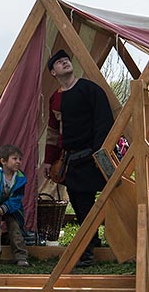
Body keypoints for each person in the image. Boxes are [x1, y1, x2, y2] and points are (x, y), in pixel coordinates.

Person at [42, 49, 113, 269]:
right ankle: (89, 248)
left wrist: (100, 153)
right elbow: (54, 133)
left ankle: (122, 241)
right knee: (82, 208)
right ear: (53, 73)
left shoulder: (90, 90)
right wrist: (48, 160)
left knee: (115, 198)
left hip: (97, 157)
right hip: (72, 162)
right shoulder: (56, 99)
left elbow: (104, 122)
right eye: (58, 62)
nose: (64, 62)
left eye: (66, 60)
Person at [0, 143, 29, 267]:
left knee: (15, 229)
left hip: (12, 208)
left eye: (20, 159)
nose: (18, 162)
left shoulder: (20, 178)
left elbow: (17, 199)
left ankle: (21, 256)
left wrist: (5, 208)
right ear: (3, 161)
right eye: (14, 159)